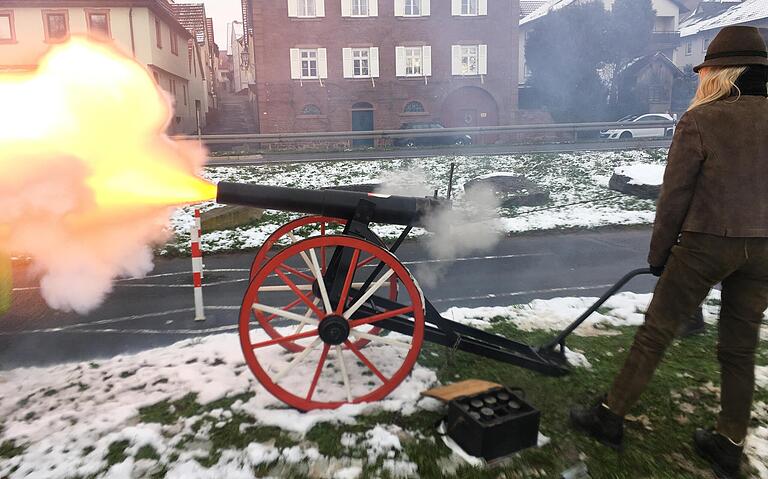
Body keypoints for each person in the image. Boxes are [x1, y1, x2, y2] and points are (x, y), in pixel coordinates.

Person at [570, 26, 768, 479]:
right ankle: (729, 442)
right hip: (764, 250)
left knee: (655, 334)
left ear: (721, 73)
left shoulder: (702, 120)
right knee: (740, 350)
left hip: (705, 243)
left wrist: (660, 256)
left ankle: (609, 417)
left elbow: (674, 197)